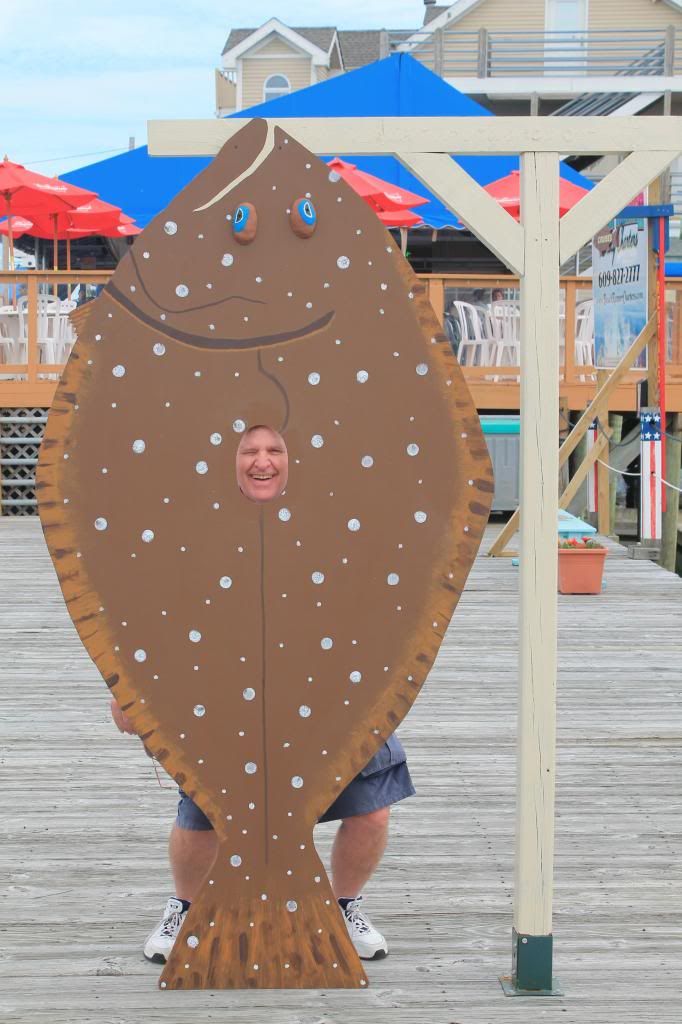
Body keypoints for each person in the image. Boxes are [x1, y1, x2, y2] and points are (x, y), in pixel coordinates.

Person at [111, 425, 415, 964]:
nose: (262, 462)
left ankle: (341, 904)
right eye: (249, 450)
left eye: (275, 450)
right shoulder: (195, 522)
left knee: (371, 806)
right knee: (202, 814)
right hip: (222, 689)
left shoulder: (334, 516)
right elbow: (150, 609)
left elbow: (377, 600)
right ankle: (186, 906)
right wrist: (127, 689)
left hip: (329, 686)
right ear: (226, 459)